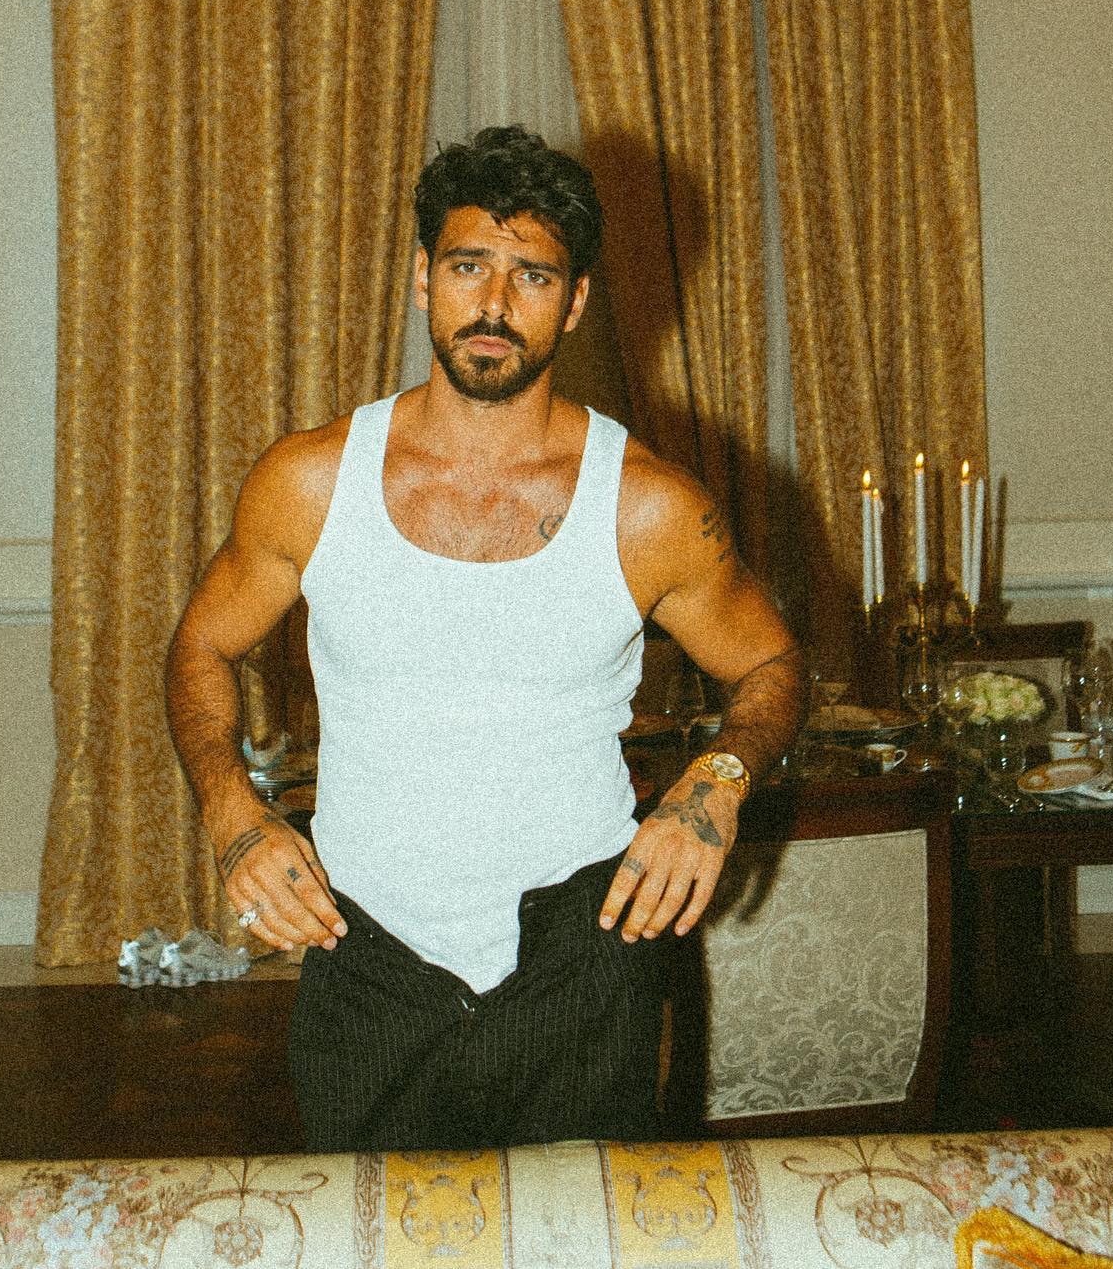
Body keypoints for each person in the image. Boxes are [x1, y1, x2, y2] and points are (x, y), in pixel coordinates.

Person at [165, 125, 804, 1151]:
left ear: (577, 300)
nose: (496, 305)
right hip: (366, 952)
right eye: (469, 266)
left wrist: (717, 782)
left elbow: (770, 663)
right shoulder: (309, 481)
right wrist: (232, 808)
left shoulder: (646, 507)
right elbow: (200, 645)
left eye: (533, 275)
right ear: (424, 279)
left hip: (587, 958)